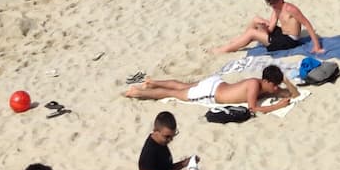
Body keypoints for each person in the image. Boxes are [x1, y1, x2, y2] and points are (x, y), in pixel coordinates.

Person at [125, 67, 299, 112]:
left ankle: (153, 82)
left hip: (216, 84)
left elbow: (294, 93)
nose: (276, 88)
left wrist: (284, 78)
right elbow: (253, 108)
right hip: (212, 93)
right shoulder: (254, 85)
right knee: (176, 93)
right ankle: (138, 92)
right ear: (266, 80)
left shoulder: (268, 86)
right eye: (274, 84)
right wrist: (278, 106)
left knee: (183, 85)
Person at [213, 0, 324, 55]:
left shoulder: (291, 9)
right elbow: (271, 28)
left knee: (252, 33)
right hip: (281, 35)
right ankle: (236, 42)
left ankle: (224, 49)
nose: (272, 5)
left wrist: (317, 46)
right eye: (270, 3)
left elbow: (307, 24)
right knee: (256, 19)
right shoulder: (276, 9)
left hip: (289, 41)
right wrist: (263, 27)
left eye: (273, 3)